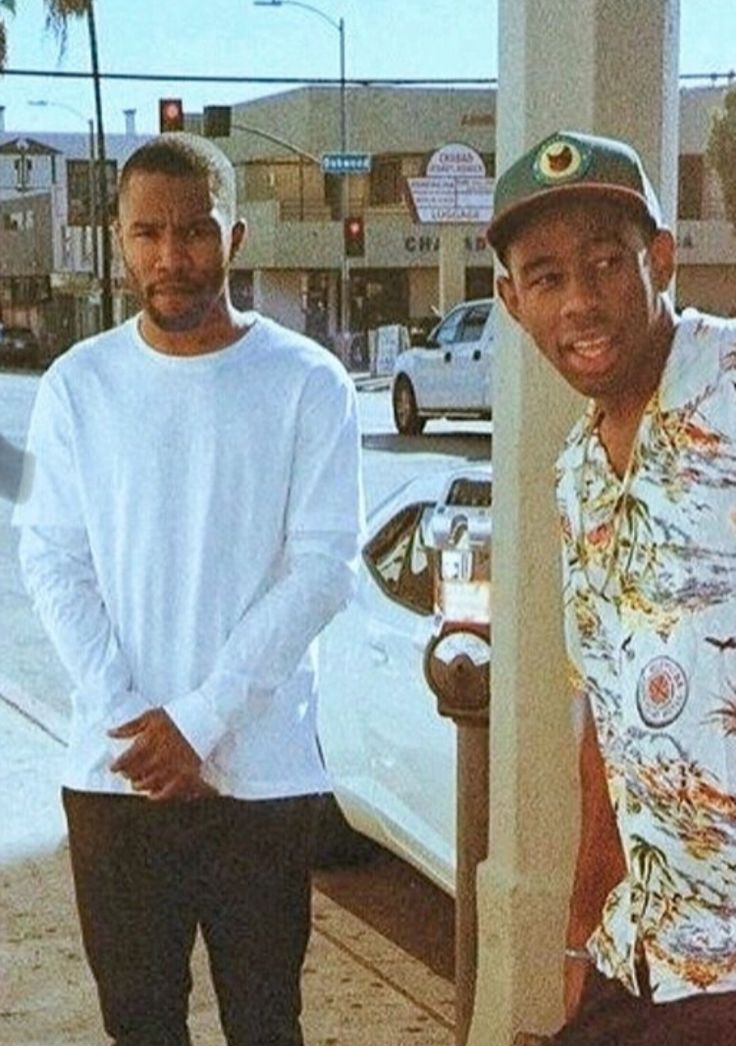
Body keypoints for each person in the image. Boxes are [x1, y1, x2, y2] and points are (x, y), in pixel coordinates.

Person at [13, 132, 364, 1045]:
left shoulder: (308, 383)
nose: (172, 256)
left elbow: (324, 566)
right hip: (116, 777)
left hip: (261, 777)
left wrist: (200, 724)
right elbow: (51, 560)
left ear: (235, 236)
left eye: (196, 231)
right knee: (140, 1027)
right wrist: (136, 724)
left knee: (265, 1024)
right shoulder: (77, 386)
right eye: (148, 233)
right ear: (120, 242)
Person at [487, 130, 736, 1045]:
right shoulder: (577, 474)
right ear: (513, 302)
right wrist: (580, 932)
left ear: (659, 260)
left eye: (604, 264)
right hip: (640, 953)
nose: (581, 302)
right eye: (546, 277)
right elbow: (606, 729)